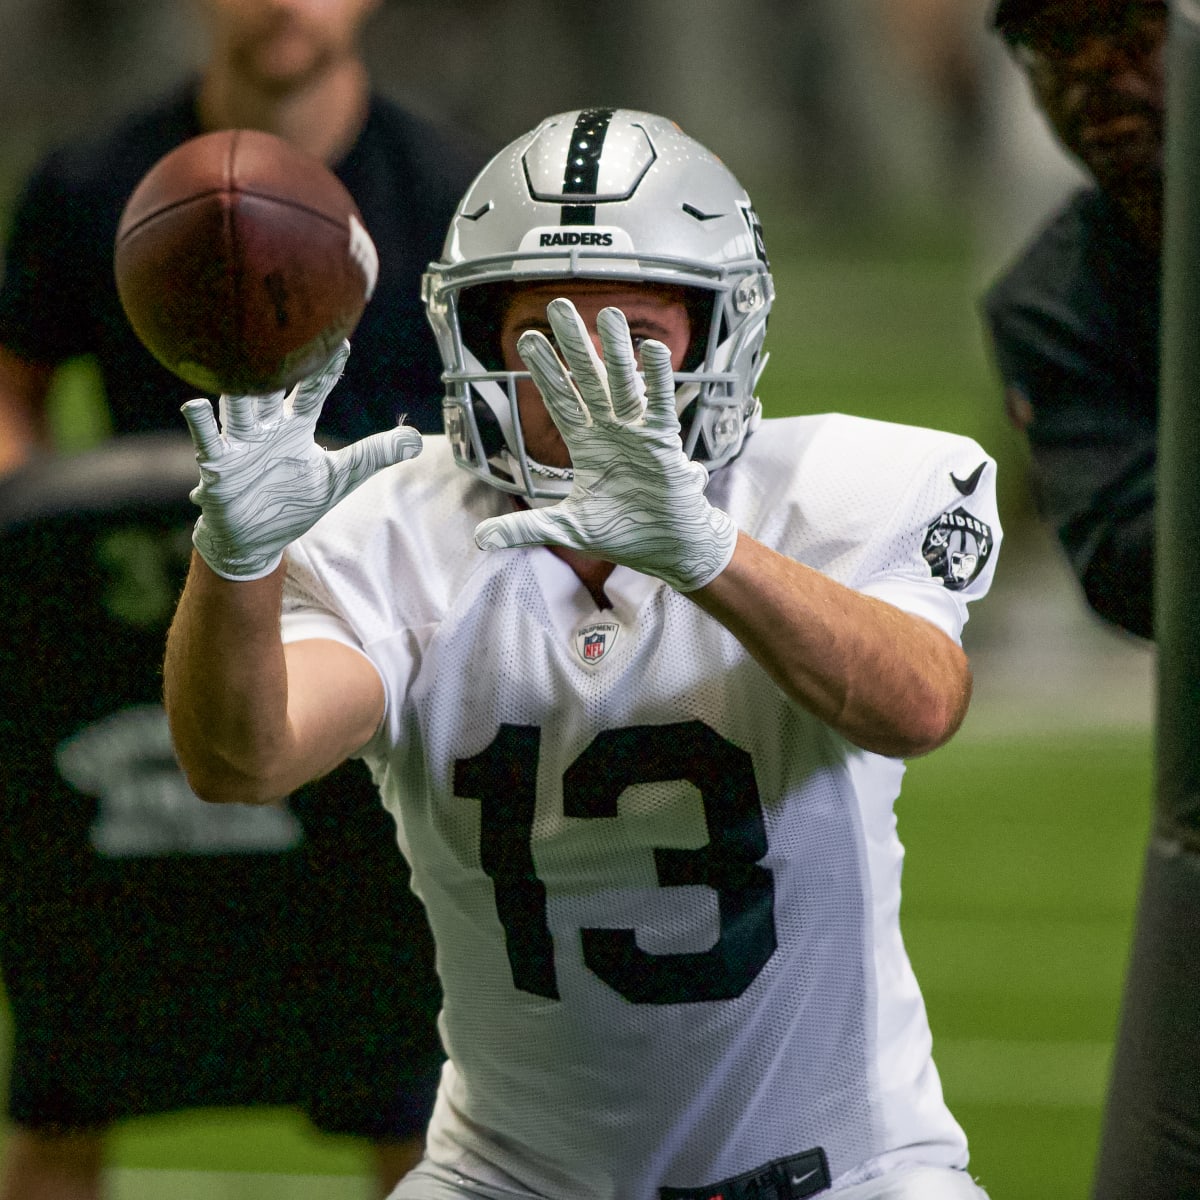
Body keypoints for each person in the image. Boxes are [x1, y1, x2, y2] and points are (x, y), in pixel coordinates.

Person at [163, 108, 1001, 1200]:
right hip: (507, 1178)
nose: (590, 384)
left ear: (720, 334)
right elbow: (242, 759)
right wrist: (232, 564)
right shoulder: (398, 532)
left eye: (637, 344)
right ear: (474, 341)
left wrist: (707, 554)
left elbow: (919, 703)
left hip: (841, 1173)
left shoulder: (836, 494)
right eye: (549, 339)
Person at [0, 2, 484, 1197]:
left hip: (373, 677)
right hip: (149, 661)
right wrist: (37, 544)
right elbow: (12, 387)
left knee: (419, 1091)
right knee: (67, 1077)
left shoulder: (452, 193)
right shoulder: (98, 182)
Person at [981, 0, 1165, 639]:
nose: (1091, 71)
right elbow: (1125, 573)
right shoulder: (1053, 301)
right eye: (1054, 46)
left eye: (1126, 36)